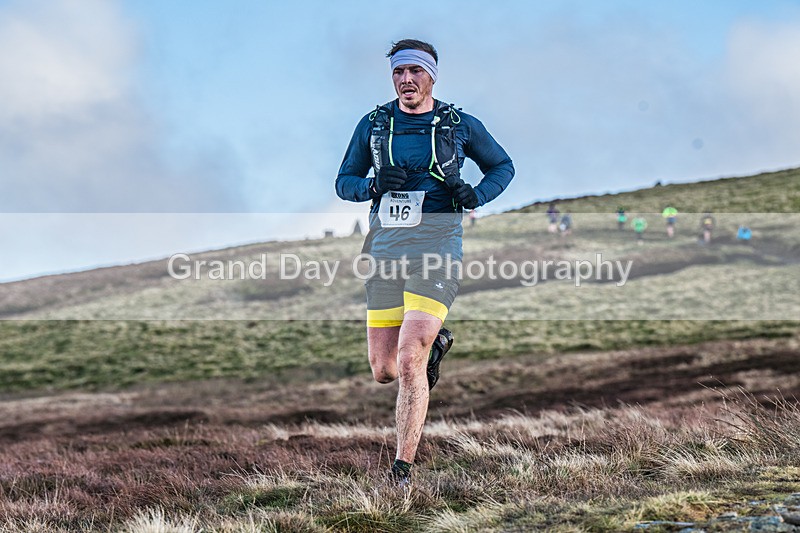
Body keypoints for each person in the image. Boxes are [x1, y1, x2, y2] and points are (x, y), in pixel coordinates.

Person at [335, 39, 514, 486]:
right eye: (399, 72)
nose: (406, 79)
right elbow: (344, 182)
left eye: (415, 71)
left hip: (437, 249)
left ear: (432, 76)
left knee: (411, 363)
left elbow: (502, 167)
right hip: (386, 253)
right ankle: (437, 342)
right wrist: (372, 185)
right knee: (384, 370)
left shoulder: (457, 125)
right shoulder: (374, 125)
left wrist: (477, 194)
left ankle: (402, 470)